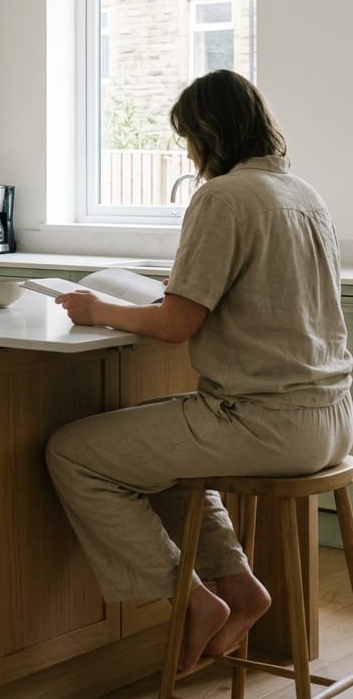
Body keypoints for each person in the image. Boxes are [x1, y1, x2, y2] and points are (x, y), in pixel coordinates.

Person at [45, 69, 353, 674]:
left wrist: (95, 308)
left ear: (209, 134)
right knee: (168, 456)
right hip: (333, 420)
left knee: (75, 454)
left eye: (188, 137)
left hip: (264, 423)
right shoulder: (302, 194)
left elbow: (174, 326)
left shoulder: (222, 197)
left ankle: (190, 601)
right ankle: (239, 589)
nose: (188, 151)